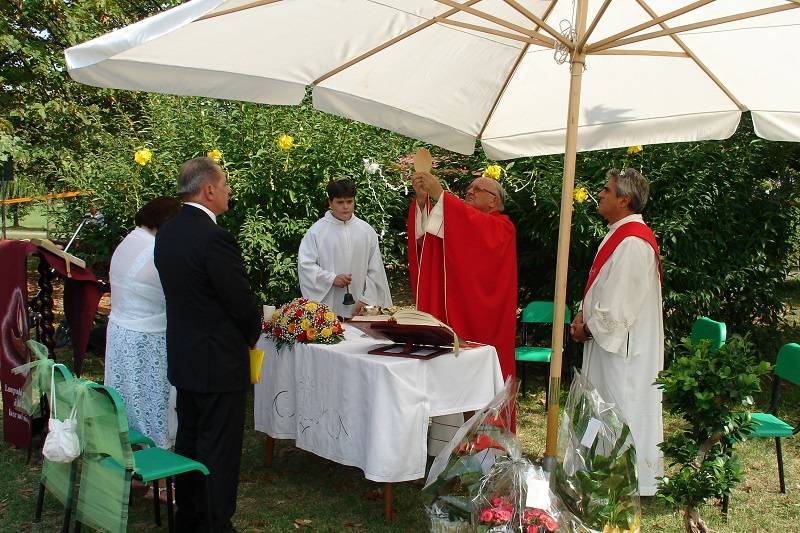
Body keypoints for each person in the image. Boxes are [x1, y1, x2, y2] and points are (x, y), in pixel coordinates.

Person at [154, 157, 261, 532]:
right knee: (219, 447)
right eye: (226, 183)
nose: (229, 190)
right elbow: (241, 303)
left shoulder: (167, 231)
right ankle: (215, 522)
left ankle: (190, 515)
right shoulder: (214, 238)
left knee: (190, 439)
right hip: (218, 362)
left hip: (185, 356)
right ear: (209, 189)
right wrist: (251, 335)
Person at [569, 167, 664, 496]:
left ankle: (624, 479)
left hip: (622, 350)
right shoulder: (620, 234)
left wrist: (588, 327)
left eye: (607, 190)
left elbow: (619, 304)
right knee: (602, 407)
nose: (602, 194)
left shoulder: (634, 242)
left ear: (625, 199)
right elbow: (604, 288)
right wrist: (584, 313)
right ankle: (600, 470)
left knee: (618, 408)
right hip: (609, 344)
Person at [408, 170, 517, 387]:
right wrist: (422, 202)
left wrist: (441, 195)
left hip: (482, 320)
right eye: (470, 187)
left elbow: (472, 225)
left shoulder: (502, 227)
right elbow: (426, 246)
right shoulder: (457, 222)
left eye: (478, 189)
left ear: (493, 200)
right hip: (451, 312)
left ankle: (485, 421)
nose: (469, 191)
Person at [105, 196, 180, 450]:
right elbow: (172, 293)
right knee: (150, 400)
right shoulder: (154, 250)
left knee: (125, 397)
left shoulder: (130, 239)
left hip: (119, 331)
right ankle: (155, 454)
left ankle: (124, 450)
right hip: (146, 338)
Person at [298, 178, 392, 318]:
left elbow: (375, 270)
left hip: (361, 308)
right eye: (340, 202)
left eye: (349, 201)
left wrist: (366, 300)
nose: (346, 207)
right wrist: (331, 279)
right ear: (330, 202)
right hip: (329, 310)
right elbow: (306, 266)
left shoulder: (366, 231)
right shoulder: (316, 232)